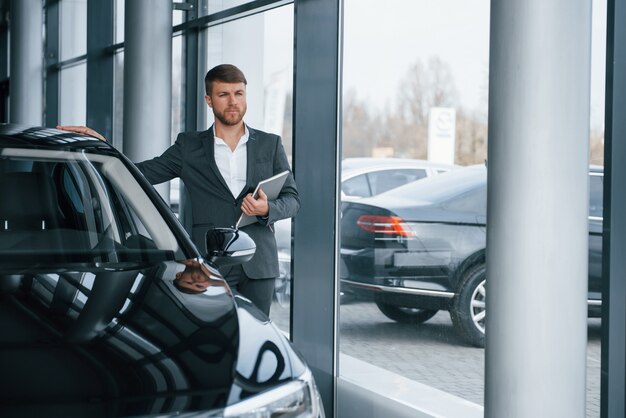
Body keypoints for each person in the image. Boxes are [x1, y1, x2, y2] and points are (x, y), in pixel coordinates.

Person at [58, 64, 299, 316]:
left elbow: (292, 199)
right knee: (210, 332)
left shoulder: (270, 144)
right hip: (208, 263)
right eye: (223, 94)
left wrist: (266, 208)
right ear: (208, 99)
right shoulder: (189, 146)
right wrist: (104, 148)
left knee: (254, 334)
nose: (233, 102)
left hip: (258, 264)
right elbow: (139, 174)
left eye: (239, 93)